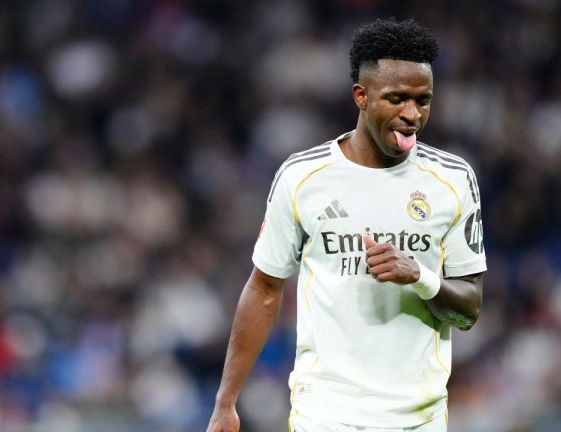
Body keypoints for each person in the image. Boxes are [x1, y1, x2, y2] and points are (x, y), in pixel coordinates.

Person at [207, 18, 486, 432]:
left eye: (423, 101)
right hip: (325, 413)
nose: (412, 114)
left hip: (418, 417)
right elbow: (264, 289)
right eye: (397, 99)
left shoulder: (452, 179)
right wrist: (226, 401)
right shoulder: (303, 177)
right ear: (361, 95)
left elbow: (469, 309)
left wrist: (420, 276)